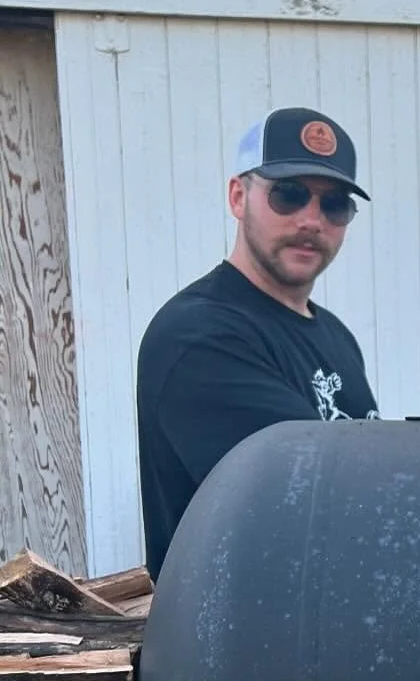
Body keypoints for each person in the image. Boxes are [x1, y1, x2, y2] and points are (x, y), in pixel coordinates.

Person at [136, 106, 378, 577]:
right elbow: (310, 504)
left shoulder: (335, 335)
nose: (312, 220)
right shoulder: (198, 336)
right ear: (237, 196)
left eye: (335, 205)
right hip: (240, 643)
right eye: (289, 195)